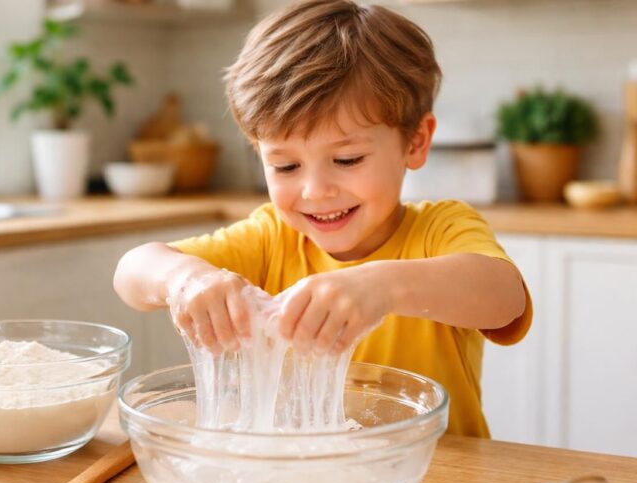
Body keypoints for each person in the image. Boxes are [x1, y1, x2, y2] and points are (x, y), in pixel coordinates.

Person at [114, 0, 532, 437]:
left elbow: (504, 298)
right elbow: (132, 272)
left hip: (440, 479)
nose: (315, 191)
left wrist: (382, 288)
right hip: (304, 481)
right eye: (286, 167)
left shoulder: (439, 229)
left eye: (347, 159)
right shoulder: (270, 237)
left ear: (415, 142)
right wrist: (184, 279)